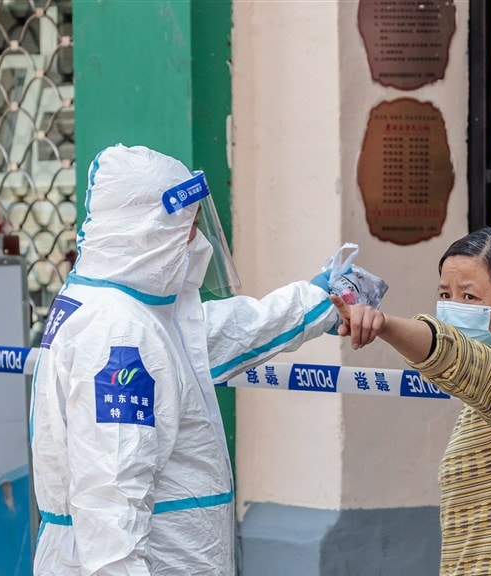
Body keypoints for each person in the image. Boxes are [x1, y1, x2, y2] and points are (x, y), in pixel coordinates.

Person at [30, 144, 375, 575]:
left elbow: (217, 333)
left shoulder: (119, 309)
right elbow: (111, 496)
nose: (197, 240)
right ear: (148, 228)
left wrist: (321, 299)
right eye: (188, 226)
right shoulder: (121, 333)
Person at [330, 226, 491, 576]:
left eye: (469, 297)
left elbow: (452, 355)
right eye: (445, 294)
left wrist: (384, 324)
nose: (452, 308)